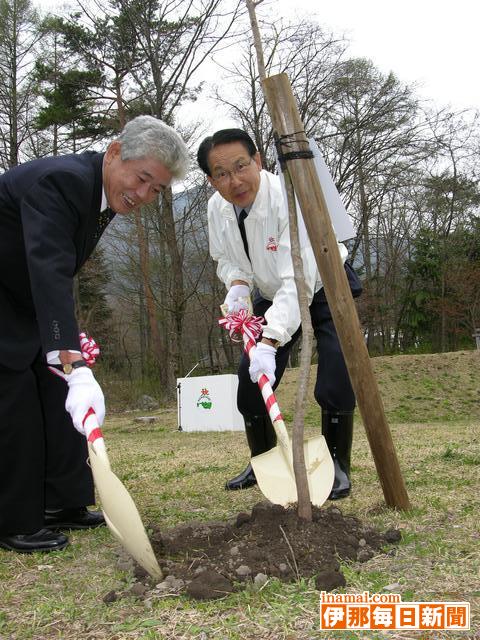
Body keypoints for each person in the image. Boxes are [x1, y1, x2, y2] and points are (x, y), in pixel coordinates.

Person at [0, 115, 189, 553]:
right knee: (14, 395)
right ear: (115, 152)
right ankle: (13, 520)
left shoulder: (100, 193)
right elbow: (49, 269)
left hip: (21, 295)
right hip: (9, 295)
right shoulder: (62, 182)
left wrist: (66, 362)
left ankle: (62, 502)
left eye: (156, 189)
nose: (143, 195)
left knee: (56, 389)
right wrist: (71, 354)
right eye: (141, 179)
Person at [197, 128, 362, 499]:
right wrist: (237, 284)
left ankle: (336, 465)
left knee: (336, 371)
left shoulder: (289, 199)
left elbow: (299, 282)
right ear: (211, 179)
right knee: (250, 378)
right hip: (272, 292)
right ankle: (264, 460)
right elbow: (225, 258)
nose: (234, 180)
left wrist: (271, 339)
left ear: (258, 160)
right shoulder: (216, 208)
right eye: (221, 174)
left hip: (322, 281)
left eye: (241, 166)